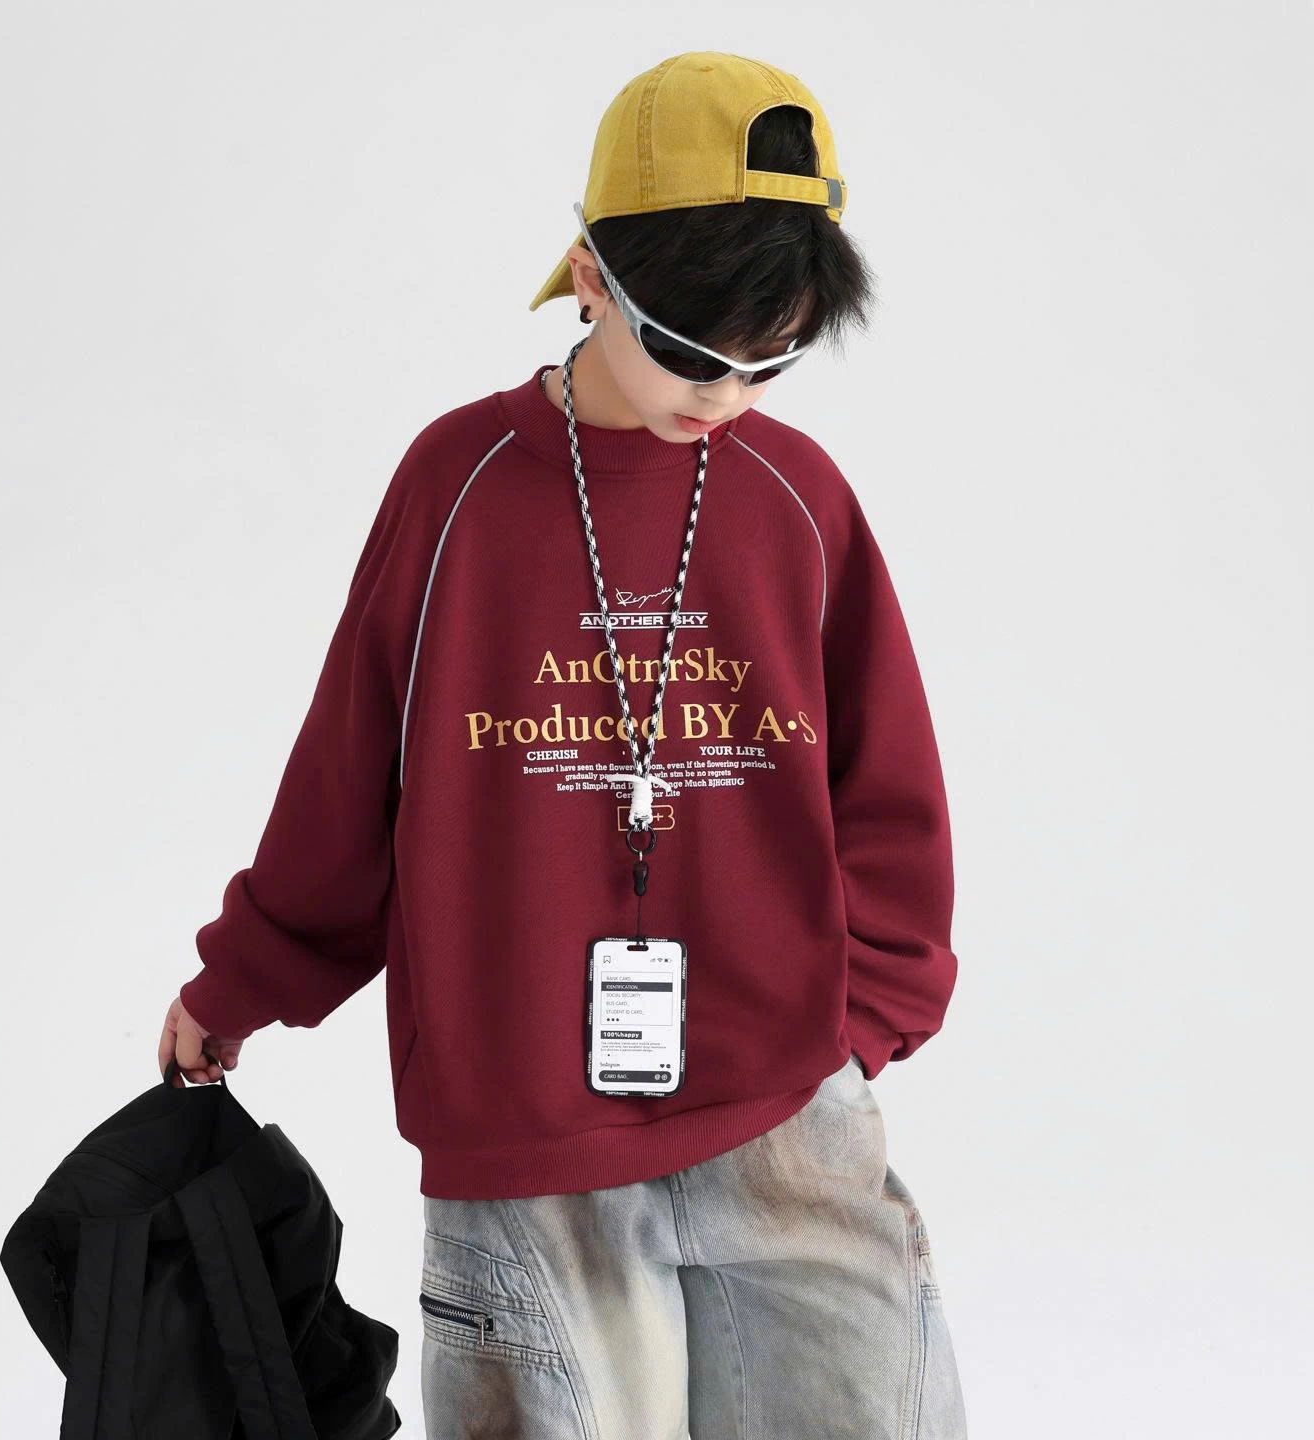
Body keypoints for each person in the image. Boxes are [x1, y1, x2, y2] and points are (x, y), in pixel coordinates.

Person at [158, 49, 967, 1439]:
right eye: (696, 354)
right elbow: (351, 771)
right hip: (525, 1118)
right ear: (592, 277)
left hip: (785, 1104)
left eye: (772, 361)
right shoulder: (460, 483)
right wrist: (246, 979)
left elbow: (886, 777)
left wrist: (859, 1022)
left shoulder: (798, 495)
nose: (728, 396)